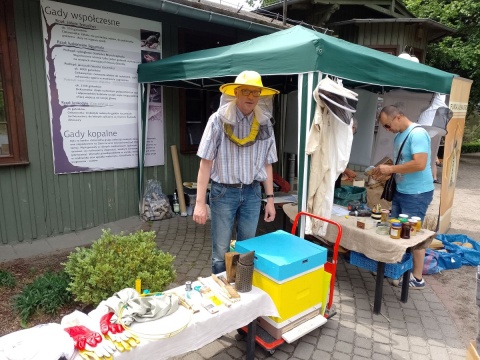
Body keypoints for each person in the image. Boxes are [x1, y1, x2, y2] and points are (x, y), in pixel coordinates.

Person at [193, 70, 278, 274]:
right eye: (246, 91)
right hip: (223, 193)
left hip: (252, 193)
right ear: (236, 93)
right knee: (221, 250)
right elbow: (205, 163)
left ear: (260, 96)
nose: (251, 97)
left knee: (247, 249)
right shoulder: (218, 120)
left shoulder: (265, 123)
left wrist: (270, 199)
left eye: (255, 92)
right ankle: (223, 296)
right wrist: (199, 203)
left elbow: (267, 163)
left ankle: (243, 291)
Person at [373, 105, 434, 289]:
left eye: (387, 125)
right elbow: (402, 163)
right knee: (396, 229)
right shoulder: (400, 135)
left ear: (398, 117)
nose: (387, 130)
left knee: (413, 234)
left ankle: (417, 277)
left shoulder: (417, 134)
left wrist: (391, 169)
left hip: (417, 193)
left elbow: (420, 164)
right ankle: (394, 268)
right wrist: (386, 171)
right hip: (402, 190)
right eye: (385, 127)